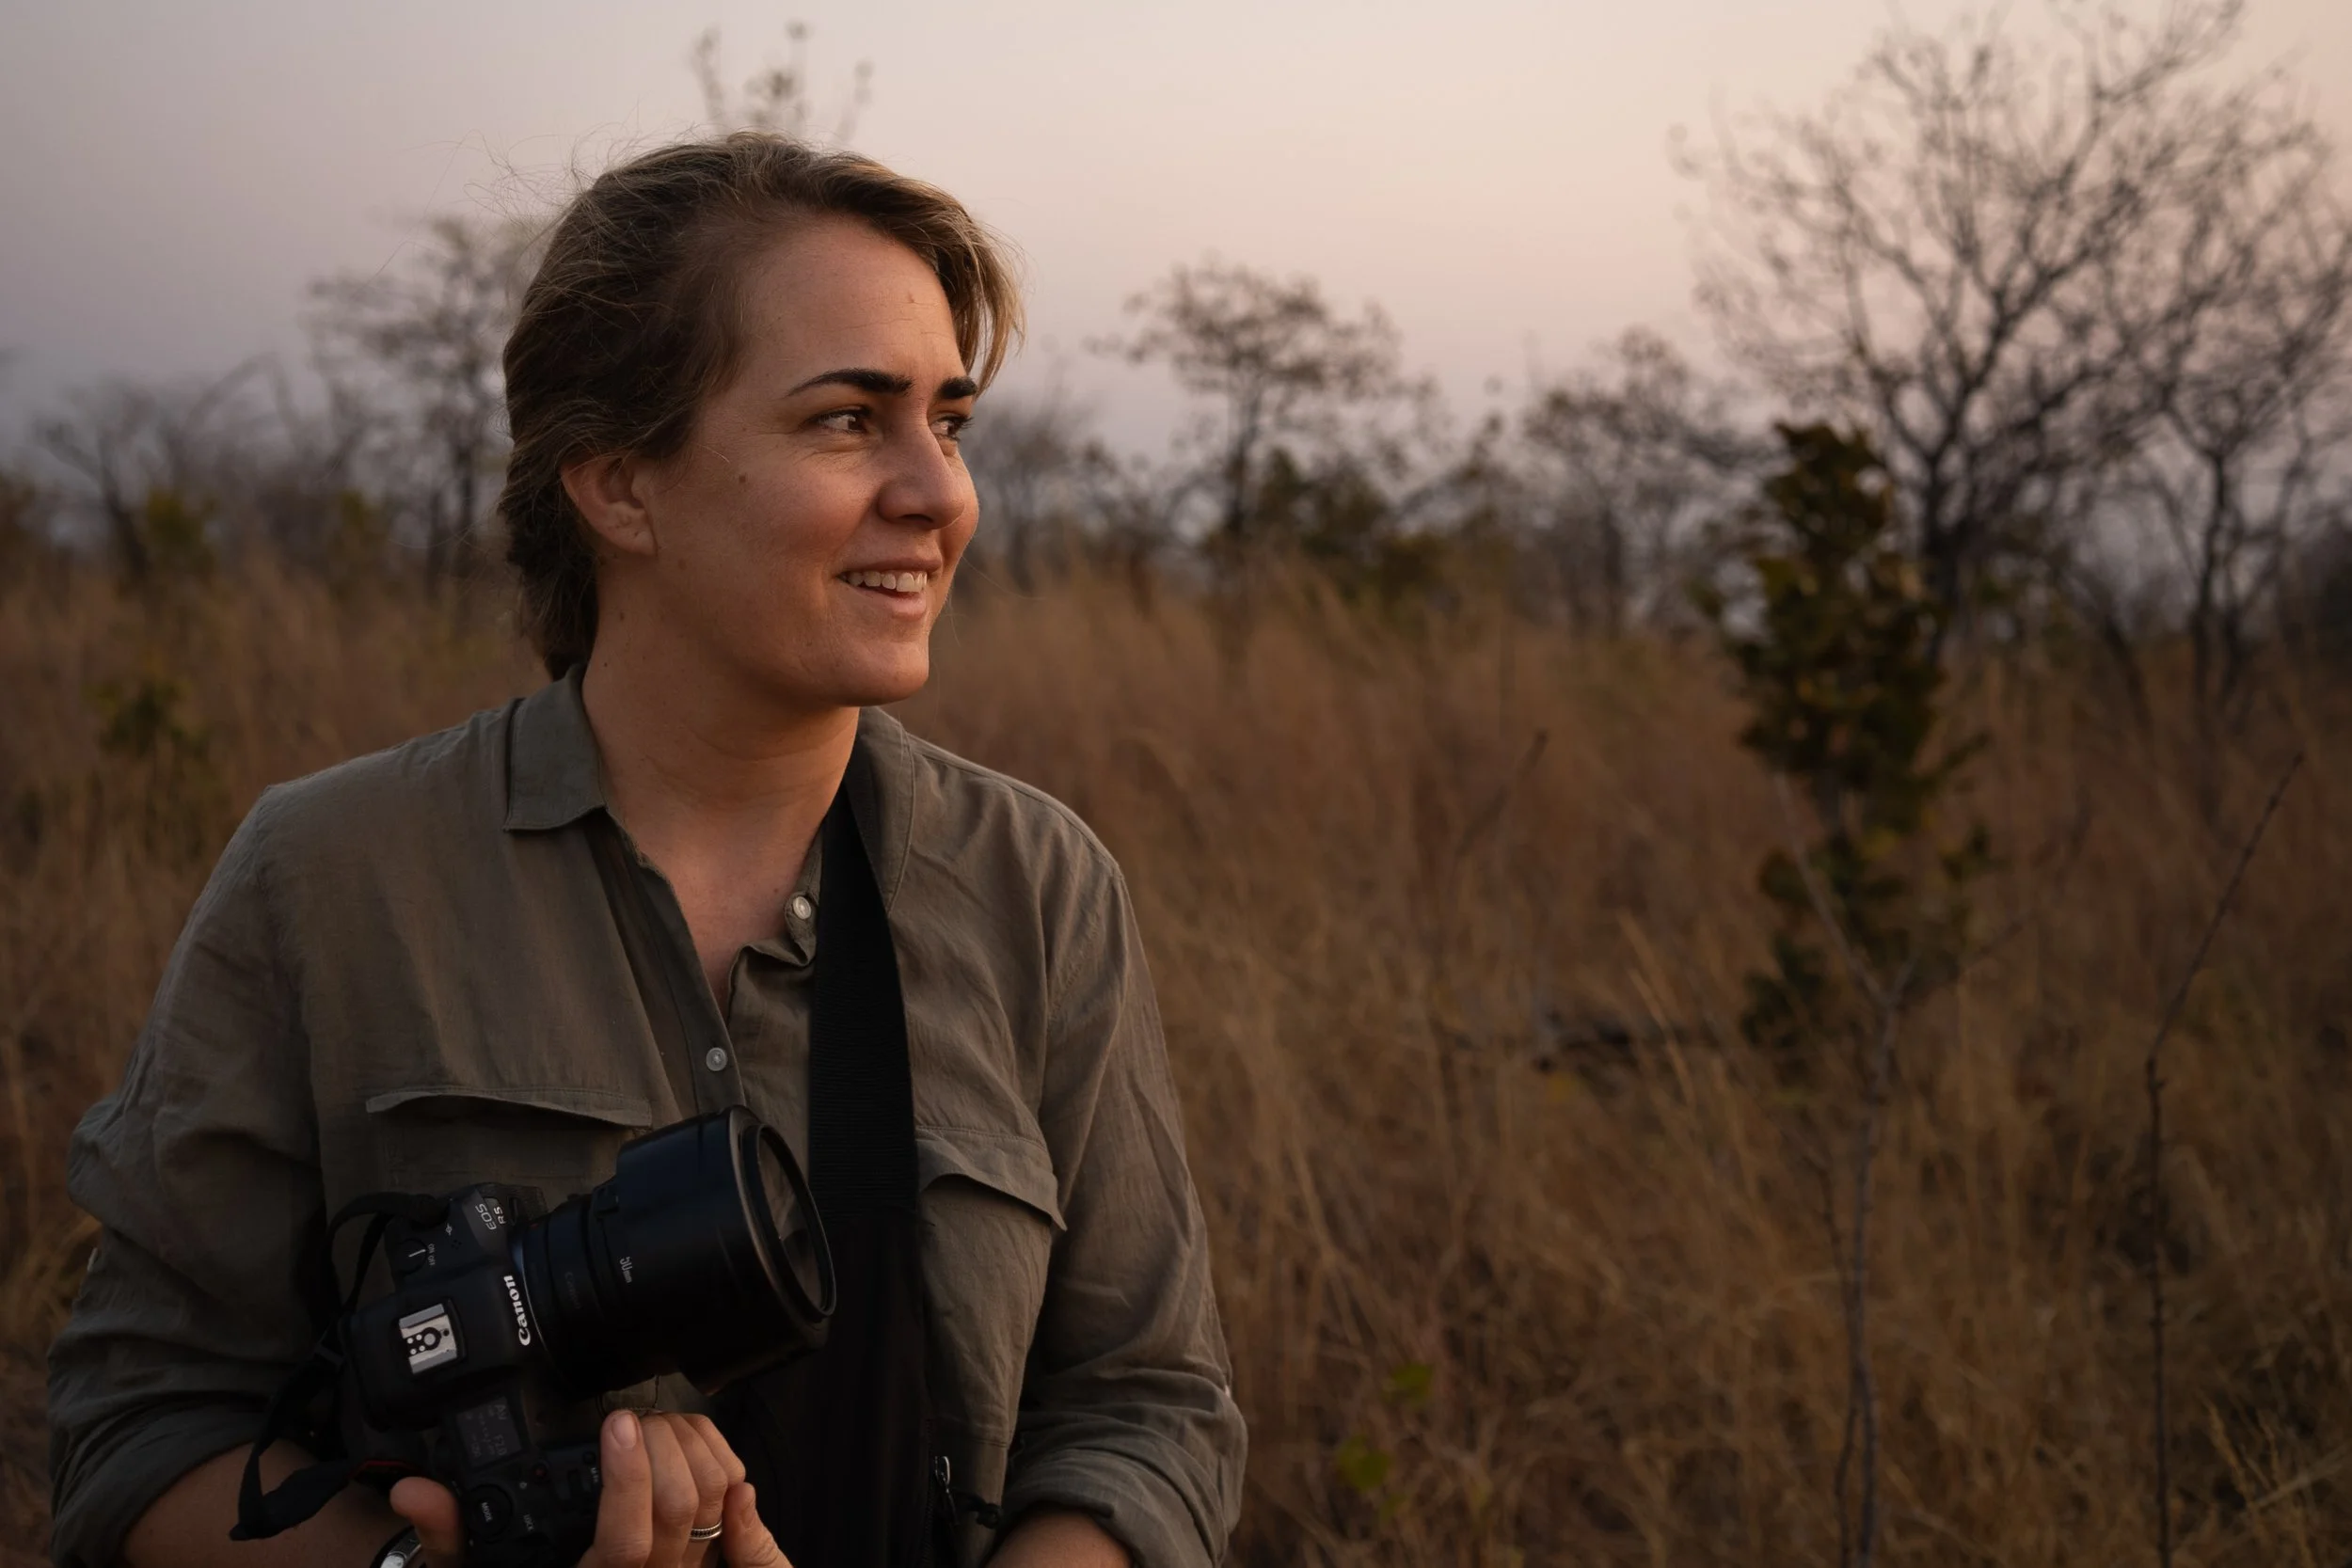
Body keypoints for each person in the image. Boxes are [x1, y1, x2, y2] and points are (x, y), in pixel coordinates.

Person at [46, 133, 1245, 1568]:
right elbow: (142, 1422)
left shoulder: (1035, 884)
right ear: (620, 488)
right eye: (850, 420)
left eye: (951, 420)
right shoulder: (332, 874)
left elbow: (1147, 1409)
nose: (940, 493)